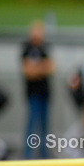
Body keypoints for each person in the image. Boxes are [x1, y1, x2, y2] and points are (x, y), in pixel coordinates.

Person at [21, 21, 56, 159]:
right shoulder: (26, 48)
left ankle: (44, 153)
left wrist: (37, 68)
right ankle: (28, 154)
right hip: (32, 93)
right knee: (32, 122)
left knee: (45, 124)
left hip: (45, 92)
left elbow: (52, 67)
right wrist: (42, 68)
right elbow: (29, 71)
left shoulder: (45, 48)